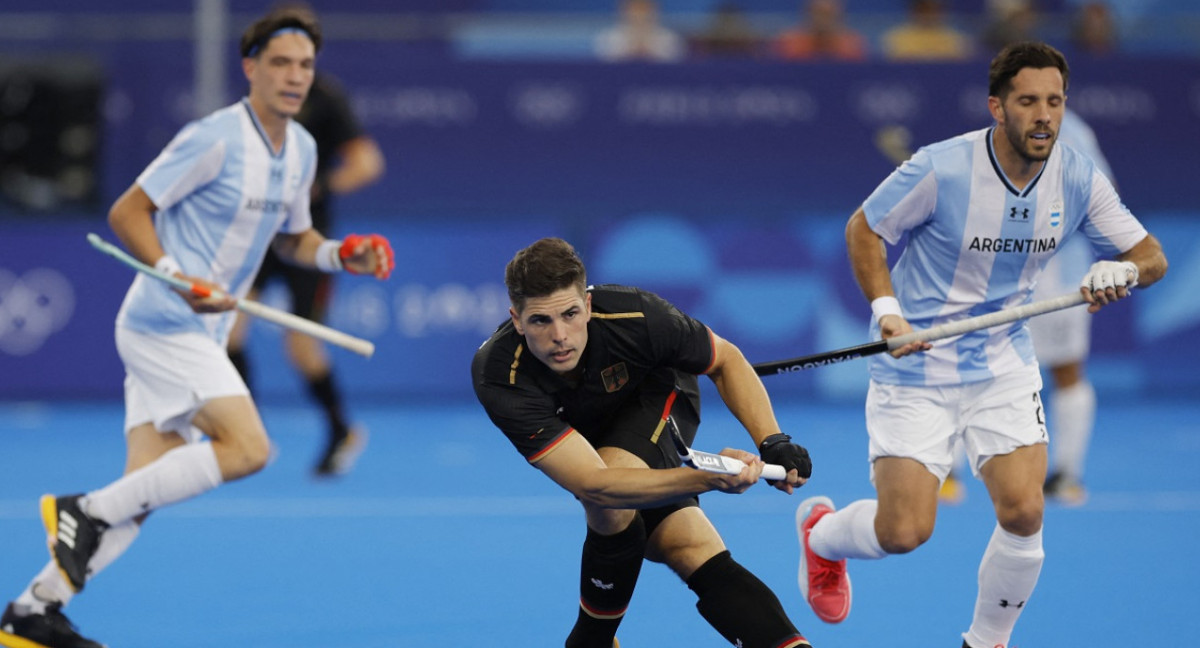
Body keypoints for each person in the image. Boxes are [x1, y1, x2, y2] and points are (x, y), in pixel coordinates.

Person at [0, 9, 394, 648]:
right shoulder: (213, 137)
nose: (294, 77)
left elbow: (294, 240)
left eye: (305, 66)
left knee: (143, 489)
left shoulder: (301, 150)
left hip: (201, 334)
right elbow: (128, 211)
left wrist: (340, 254)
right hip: (164, 322)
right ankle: (82, 510)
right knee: (250, 450)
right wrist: (176, 274)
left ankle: (33, 609)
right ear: (251, 69)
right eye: (280, 64)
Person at [795, 41, 1166, 648]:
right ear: (998, 106)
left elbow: (1151, 255)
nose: (1044, 115)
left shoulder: (1077, 176)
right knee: (905, 532)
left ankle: (986, 640)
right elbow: (864, 228)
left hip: (1001, 363)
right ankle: (821, 536)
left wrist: (1121, 271)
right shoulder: (941, 168)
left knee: (1024, 511)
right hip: (914, 363)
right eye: (1028, 101)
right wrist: (888, 316)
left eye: (1054, 101)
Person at [472, 237, 814, 648]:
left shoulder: (638, 316)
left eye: (570, 314)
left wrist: (772, 440)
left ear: (589, 306)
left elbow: (725, 360)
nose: (560, 335)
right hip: (586, 443)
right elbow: (593, 482)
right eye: (541, 321)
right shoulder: (500, 374)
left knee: (612, 509)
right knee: (685, 544)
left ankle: (591, 640)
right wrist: (705, 478)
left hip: (655, 397)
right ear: (516, 320)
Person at [226, 64, 386, 477]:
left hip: (307, 238)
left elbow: (367, 163)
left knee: (301, 347)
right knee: (229, 331)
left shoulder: (327, 100)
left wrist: (321, 187)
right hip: (260, 236)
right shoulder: (256, 101)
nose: (288, 67)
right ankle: (249, 431)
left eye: (299, 56)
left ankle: (341, 430)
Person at [773, 0, 868, 62]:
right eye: (818, 14)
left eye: (827, 15)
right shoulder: (791, 42)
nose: (822, 21)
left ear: (839, 17)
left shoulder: (851, 44)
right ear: (807, 15)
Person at [594, 0, 687, 63]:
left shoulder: (668, 37)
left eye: (644, 10)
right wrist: (629, 50)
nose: (639, 16)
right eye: (635, 10)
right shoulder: (609, 37)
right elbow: (603, 65)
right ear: (625, 12)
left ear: (654, 12)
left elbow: (676, 66)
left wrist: (649, 50)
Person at [881, 0, 973, 61]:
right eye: (923, 10)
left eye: (933, 10)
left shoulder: (955, 39)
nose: (929, 14)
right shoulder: (897, 37)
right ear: (914, 11)